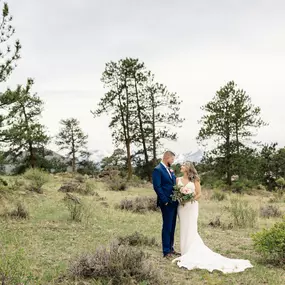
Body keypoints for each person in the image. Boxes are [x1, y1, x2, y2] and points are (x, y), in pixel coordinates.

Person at [173, 161, 253, 273]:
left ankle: (191, 250)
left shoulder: (195, 179)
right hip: (181, 208)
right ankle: (184, 250)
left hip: (191, 206)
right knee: (183, 227)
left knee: (191, 227)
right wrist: (181, 199)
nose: (180, 166)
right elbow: (176, 192)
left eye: (183, 165)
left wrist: (189, 199)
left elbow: (199, 194)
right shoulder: (177, 180)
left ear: (188, 168)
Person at [152, 151, 179, 258]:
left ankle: (171, 248)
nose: (173, 161)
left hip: (174, 202)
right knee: (167, 226)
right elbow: (157, 187)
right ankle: (166, 251)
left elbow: (173, 184)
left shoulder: (170, 170)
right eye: (172, 159)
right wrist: (165, 200)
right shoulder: (157, 170)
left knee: (172, 226)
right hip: (166, 203)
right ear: (167, 158)